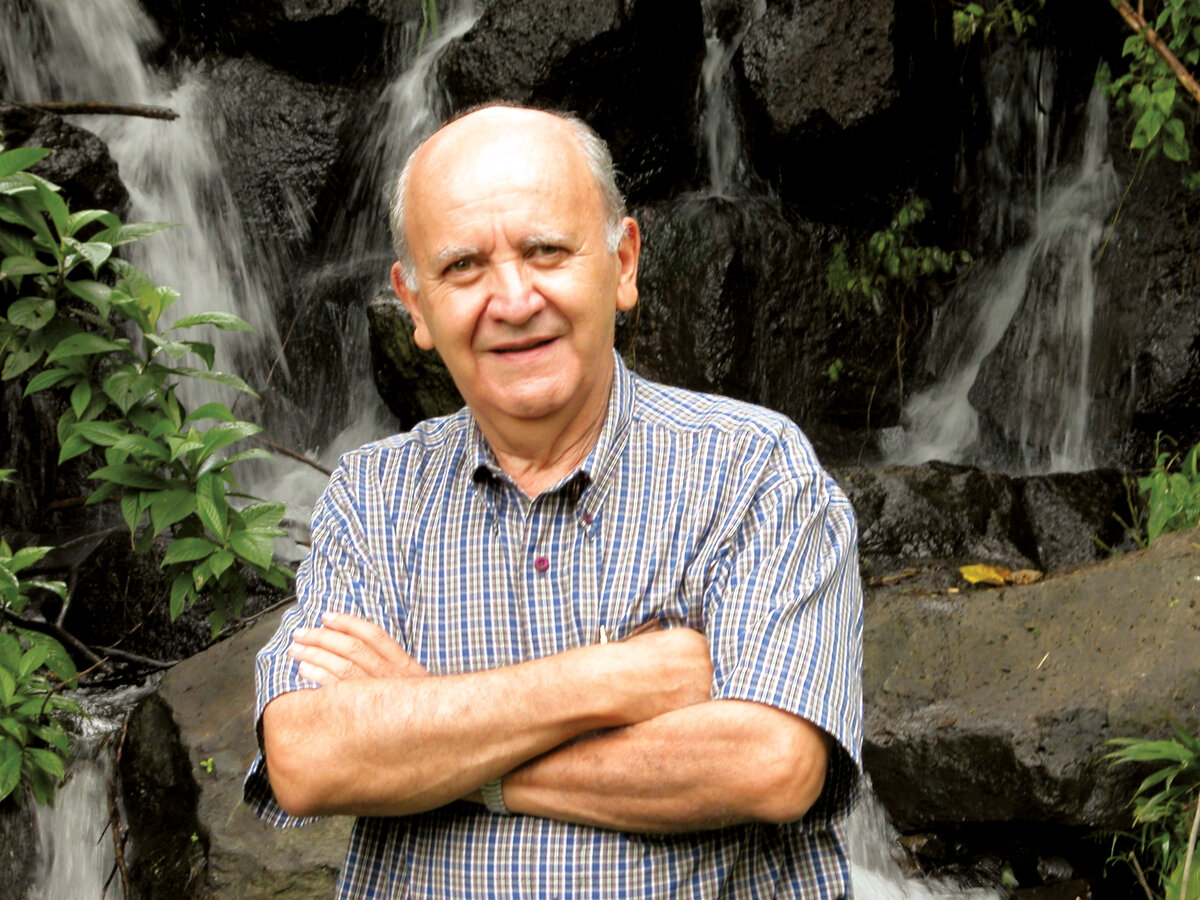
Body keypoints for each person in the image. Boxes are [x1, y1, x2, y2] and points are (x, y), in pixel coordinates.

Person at [244, 103, 863, 899]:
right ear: (415, 305)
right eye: (463, 267)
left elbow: (771, 766)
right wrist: (610, 681)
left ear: (624, 263)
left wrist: (436, 739)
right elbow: (306, 757)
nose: (512, 299)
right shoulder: (373, 498)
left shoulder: (753, 471)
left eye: (545, 251)